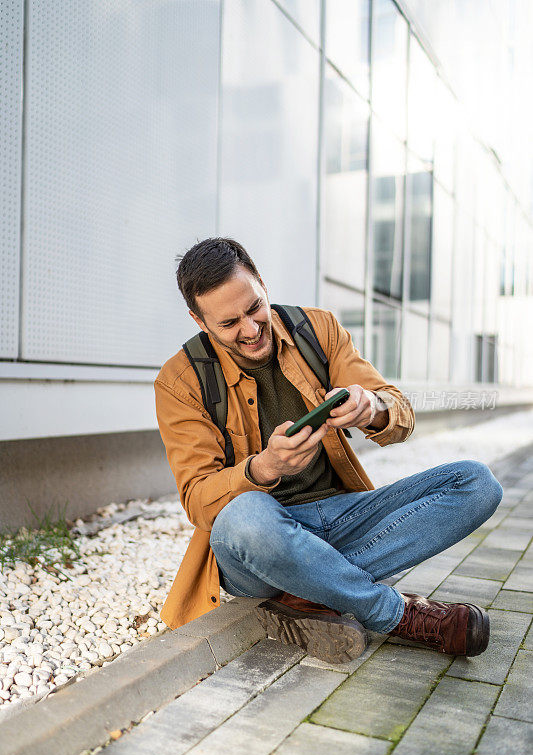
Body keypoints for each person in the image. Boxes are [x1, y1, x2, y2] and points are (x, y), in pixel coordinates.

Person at [154, 237, 503, 663]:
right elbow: (197, 500)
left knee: (475, 483)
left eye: (254, 308)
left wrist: (371, 408)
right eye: (229, 324)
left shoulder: (316, 329)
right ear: (198, 319)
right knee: (246, 517)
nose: (249, 329)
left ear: (262, 283)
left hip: (342, 515)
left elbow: (400, 413)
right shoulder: (180, 381)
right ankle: (395, 613)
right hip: (258, 542)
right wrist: (263, 468)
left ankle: (308, 590)